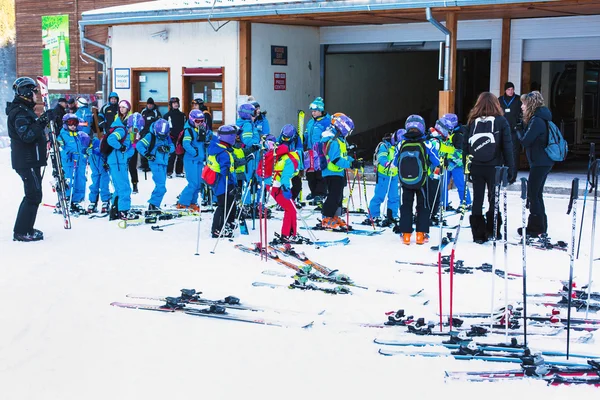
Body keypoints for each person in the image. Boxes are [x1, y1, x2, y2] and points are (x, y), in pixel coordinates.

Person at [464, 92, 515, 244]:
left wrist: (467, 169)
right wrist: (511, 169)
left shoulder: (472, 122)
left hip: (476, 166)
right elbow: (507, 147)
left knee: (477, 200)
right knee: (494, 198)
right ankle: (493, 230)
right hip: (495, 167)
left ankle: (478, 234)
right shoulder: (501, 121)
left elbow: (465, 147)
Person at [6, 77, 51, 241]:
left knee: (34, 194)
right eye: (33, 91)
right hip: (27, 160)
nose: (36, 95)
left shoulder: (24, 110)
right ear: (25, 92)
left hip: (30, 160)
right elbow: (27, 136)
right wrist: (43, 121)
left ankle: (25, 228)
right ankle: (22, 231)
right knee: (33, 195)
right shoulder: (19, 113)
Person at [397, 115, 440, 245]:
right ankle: (421, 235)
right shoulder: (427, 143)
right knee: (423, 206)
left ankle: (406, 235)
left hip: (405, 182)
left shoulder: (401, 144)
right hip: (422, 181)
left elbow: (394, 162)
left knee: (406, 205)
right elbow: (436, 161)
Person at [517, 91, 554, 237]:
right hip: (542, 161)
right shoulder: (540, 118)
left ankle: (535, 228)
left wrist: (519, 131)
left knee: (533, 194)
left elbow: (526, 141)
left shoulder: (537, 120)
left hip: (540, 161)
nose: (521, 107)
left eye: (523, 103)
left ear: (530, 104)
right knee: (537, 194)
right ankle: (540, 226)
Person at [321, 113, 357, 230]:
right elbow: (336, 159)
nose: (348, 133)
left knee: (338, 196)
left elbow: (343, 156)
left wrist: (353, 161)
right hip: (331, 172)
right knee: (333, 195)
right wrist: (350, 164)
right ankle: (327, 217)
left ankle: (335, 215)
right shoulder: (333, 141)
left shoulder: (340, 140)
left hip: (338, 172)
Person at [364, 129, 402, 227]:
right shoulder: (384, 146)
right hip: (383, 175)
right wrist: (387, 163)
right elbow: (381, 158)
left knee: (394, 197)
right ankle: (373, 215)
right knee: (379, 196)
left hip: (393, 175)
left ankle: (392, 214)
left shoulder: (398, 147)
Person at [434, 115, 472, 211]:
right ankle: (443, 203)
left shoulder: (458, 135)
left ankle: (466, 203)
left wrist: (452, 162)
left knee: (460, 184)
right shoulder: (447, 135)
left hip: (456, 165)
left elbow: (460, 152)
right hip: (446, 164)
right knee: (443, 184)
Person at [271, 126, 301, 241]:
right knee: (290, 209)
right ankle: (286, 235)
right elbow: (285, 177)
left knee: (292, 208)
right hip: (277, 187)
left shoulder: (287, 156)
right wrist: (286, 189)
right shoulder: (291, 160)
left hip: (275, 186)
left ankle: (291, 233)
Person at [107, 112, 139, 221]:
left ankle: (115, 210)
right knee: (124, 188)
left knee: (119, 188)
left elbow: (128, 153)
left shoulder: (128, 134)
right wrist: (120, 147)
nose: (135, 132)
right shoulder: (121, 131)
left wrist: (134, 144)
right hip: (117, 163)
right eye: (135, 129)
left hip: (120, 162)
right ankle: (124, 212)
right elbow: (111, 139)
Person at [207, 125, 238, 238]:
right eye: (234, 135)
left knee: (230, 203)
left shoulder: (218, 147)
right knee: (222, 205)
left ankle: (228, 222)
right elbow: (226, 171)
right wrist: (233, 184)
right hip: (222, 184)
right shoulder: (223, 153)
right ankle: (217, 229)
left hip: (219, 183)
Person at [136, 118, 174, 211]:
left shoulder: (166, 137)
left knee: (160, 185)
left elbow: (173, 147)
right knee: (161, 187)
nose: (162, 137)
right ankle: (153, 204)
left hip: (164, 163)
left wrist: (166, 149)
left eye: (164, 135)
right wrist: (147, 154)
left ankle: (154, 204)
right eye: (160, 135)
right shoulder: (150, 136)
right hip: (155, 163)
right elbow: (139, 145)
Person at [177, 110, 210, 211]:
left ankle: (192, 202)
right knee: (193, 183)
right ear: (192, 120)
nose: (200, 123)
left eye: (202, 121)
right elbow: (186, 144)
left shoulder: (201, 129)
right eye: (197, 121)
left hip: (199, 160)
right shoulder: (189, 130)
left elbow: (208, 137)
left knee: (199, 183)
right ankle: (182, 202)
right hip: (191, 160)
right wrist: (194, 152)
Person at [56, 113, 89, 214]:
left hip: (80, 162)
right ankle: (65, 199)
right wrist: (68, 154)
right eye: (70, 123)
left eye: (75, 123)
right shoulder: (62, 136)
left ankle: (76, 200)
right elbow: (60, 149)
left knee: (80, 180)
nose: (73, 125)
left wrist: (86, 152)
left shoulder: (79, 135)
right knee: (68, 180)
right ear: (65, 124)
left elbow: (83, 147)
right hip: (69, 162)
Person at [304, 97, 330, 202]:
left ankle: (321, 192)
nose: (313, 113)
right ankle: (314, 192)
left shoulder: (326, 121)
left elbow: (329, 135)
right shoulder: (311, 122)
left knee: (319, 173)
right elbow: (306, 134)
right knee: (310, 173)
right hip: (310, 150)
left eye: (315, 111)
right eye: (312, 111)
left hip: (320, 151)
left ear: (321, 111)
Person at [277, 122, 304, 205]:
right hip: (284, 166)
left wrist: (301, 168)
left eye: (287, 138)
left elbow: (300, 155)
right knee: (284, 185)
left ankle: (290, 200)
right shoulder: (280, 140)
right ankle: (282, 201)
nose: (285, 140)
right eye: (284, 138)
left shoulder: (297, 141)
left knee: (297, 186)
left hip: (294, 166)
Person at [499, 82, 523, 171]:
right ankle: (502, 173)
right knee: (502, 151)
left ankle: (512, 174)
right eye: (509, 89)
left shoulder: (518, 99)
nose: (511, 91)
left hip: (514, 130)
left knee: (514, 152)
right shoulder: (500, 100)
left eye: (512, 89)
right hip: (503, 130)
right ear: (505, 90)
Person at [85, 135, 111, 214]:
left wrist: (94, 151)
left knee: (104, 185)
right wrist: (84, 152)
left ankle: (105, 201)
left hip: (103, 168)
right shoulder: (86, 146)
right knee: (94, 185)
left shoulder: (96, 142)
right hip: (95, 170)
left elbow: (102, 152)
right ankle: (93, 201)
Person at [117, 100, 139, 193]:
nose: (121, 109)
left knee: (132, 166)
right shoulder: (118, 117)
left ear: (128, 108)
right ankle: (124, 185)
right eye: (120, 107)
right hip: (122, 144)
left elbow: (136, 131)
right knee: (123, 166)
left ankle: (134, 184)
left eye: (123, 107)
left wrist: (133, 143)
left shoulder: (132, 118)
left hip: (131, 144)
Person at [164, 96, 186, 178]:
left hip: (181, 137)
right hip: (171, 137)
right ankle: (169, 171)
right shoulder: (167, 115)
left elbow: (185, 125)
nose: (176, 105)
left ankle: (179, 171)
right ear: (171, 104)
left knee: (181, 155)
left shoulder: (182, 115)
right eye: (174, 103)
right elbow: (165, 128)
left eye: (177, 103)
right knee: (171, 155)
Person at [140, 97, 162, 172]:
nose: (149, 106)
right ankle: (143, 164)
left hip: (152, 133)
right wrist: (140, 131)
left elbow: (160, 122)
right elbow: (140, 121)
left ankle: (150, 164)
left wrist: (154, 120)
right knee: (143, 148)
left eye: (151, 104)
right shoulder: (143, 111)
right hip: (143, 132)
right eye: (148, 104)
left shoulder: (156, 112)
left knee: (150, 148)